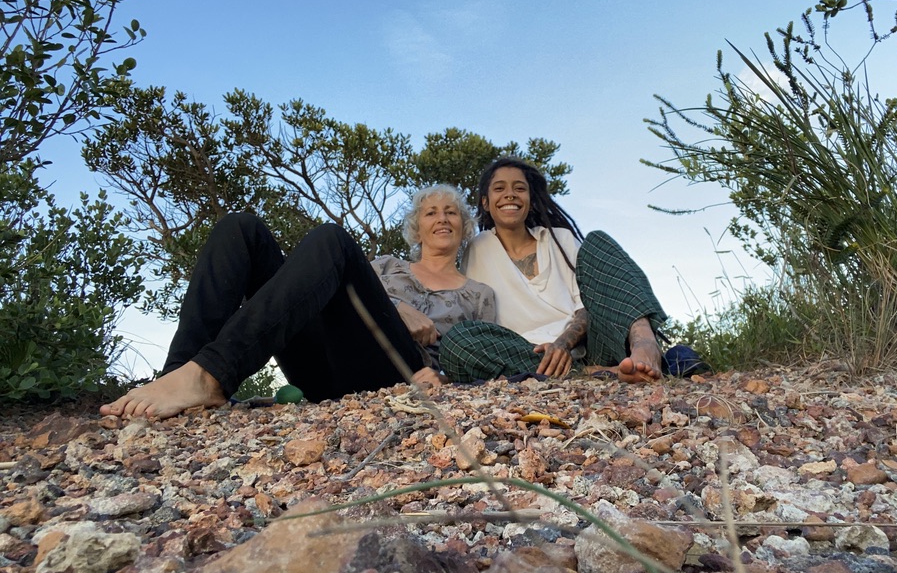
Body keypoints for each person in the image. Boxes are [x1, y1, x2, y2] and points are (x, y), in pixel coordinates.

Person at [100, 184, 494, 419]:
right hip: (322, 369)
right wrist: (398, 307)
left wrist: (444, 377)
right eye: (431, 212)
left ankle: (210, 374)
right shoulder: (385, 267)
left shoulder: (478, 293)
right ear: (417, 226)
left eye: (451, 212)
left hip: (397, 372)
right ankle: (181, 373)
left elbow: (482, 358)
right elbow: (338, 295)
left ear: (464, 225)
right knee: (242, 228)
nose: (442, 218)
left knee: (331, 238)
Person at [439, 156, 668, 384]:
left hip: (590, 346)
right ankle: (594, 373)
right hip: (525, 353)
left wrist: (563, 343)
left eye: (520, 188)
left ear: (530, 199)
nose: (510, 194)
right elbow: (474, 315)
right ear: (486, 202)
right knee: (457, 342)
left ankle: (645, 346)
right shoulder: (477, 250)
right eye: (499, 188)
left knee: (598, 241)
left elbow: (587, 305)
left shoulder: (560, 239)